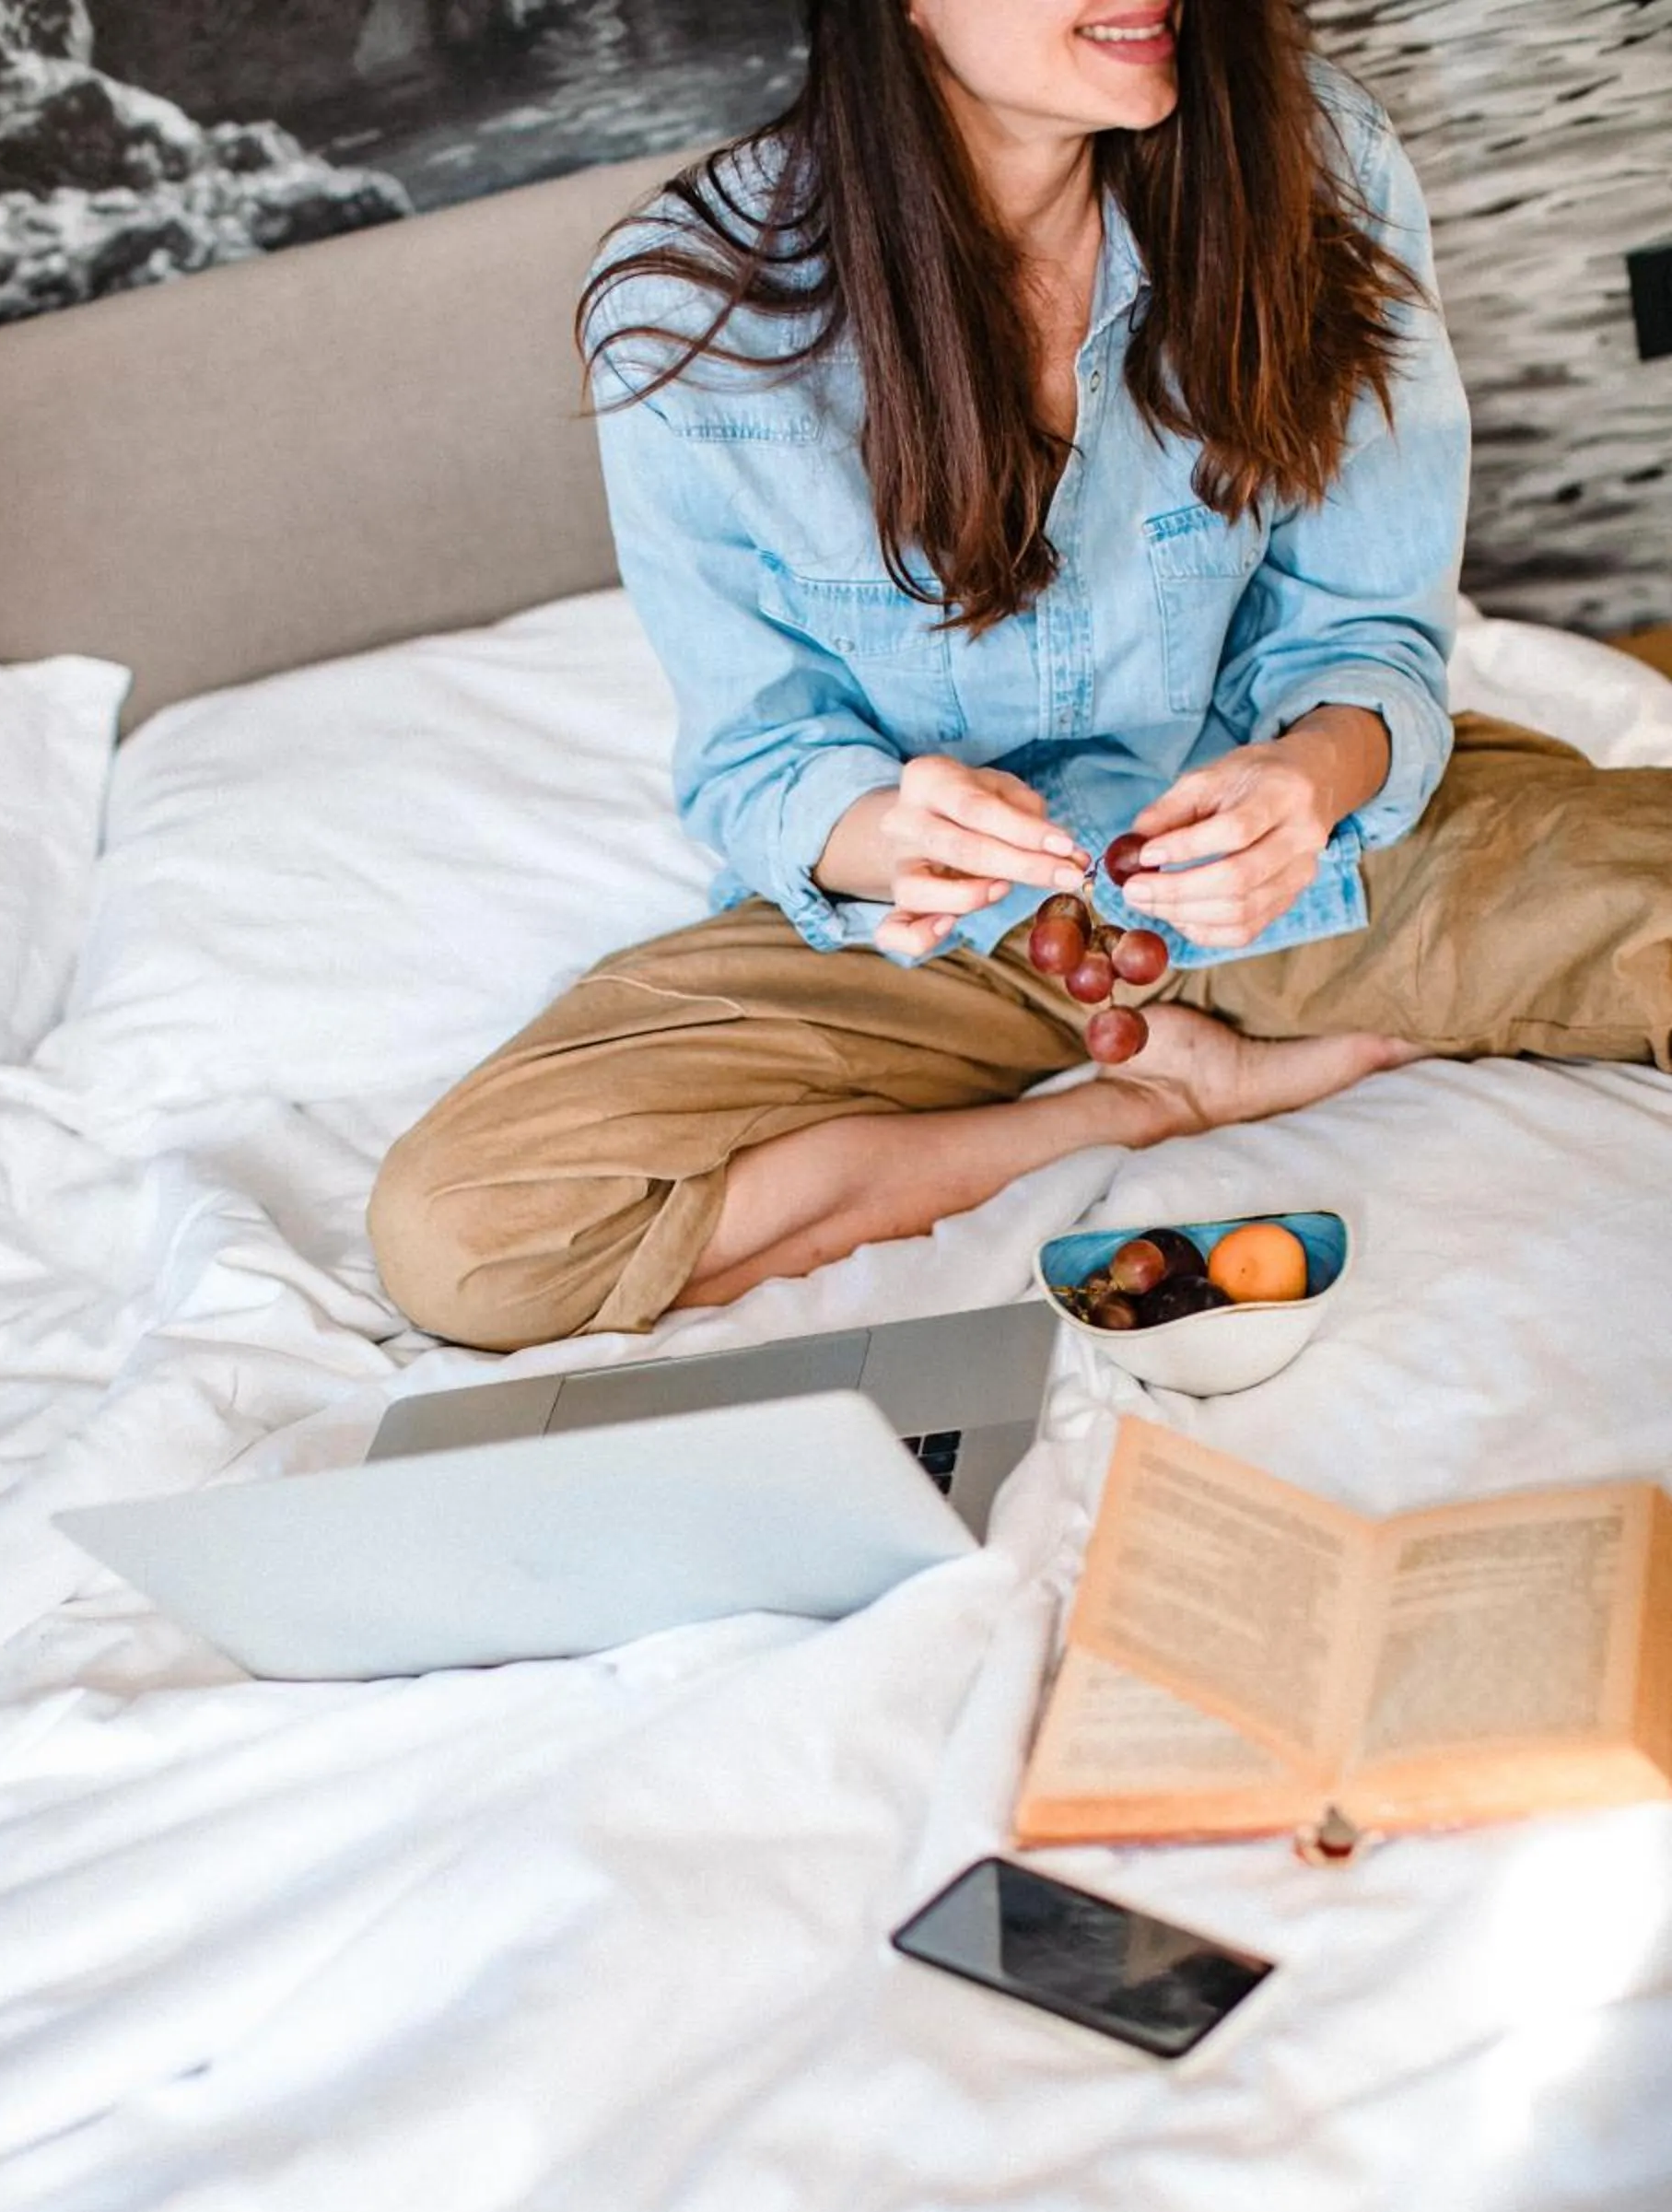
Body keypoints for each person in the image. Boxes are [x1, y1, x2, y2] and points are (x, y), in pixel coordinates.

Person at [369, 0, 1672, 1350]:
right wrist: (891, 837)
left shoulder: (1313, 158)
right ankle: (1151, 1095)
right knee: (466, 1235)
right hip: (936, 952)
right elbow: (759, 761)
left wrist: (1308, 781)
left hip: (1310, 881)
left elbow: (1368, 632)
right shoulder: (694, 311)